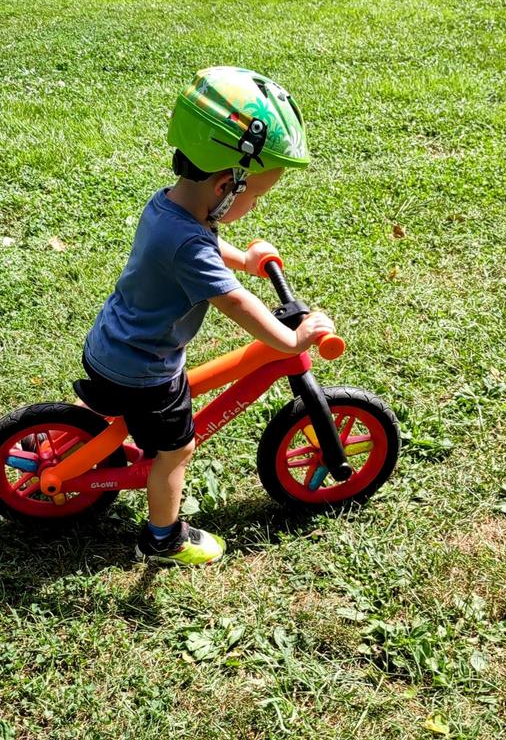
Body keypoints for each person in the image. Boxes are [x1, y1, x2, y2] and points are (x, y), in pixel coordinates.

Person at [74, 66, 334, 566]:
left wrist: (246, 259)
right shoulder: (188, 242)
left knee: (153, 418)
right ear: (225, 186)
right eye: (255, 196)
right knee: (176, 450)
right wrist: (290, 339)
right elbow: (235, 301)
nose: (254, 206)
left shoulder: (169, 206)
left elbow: (205, 246)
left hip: (113, 342)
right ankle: (162, 539)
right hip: (143, 368)